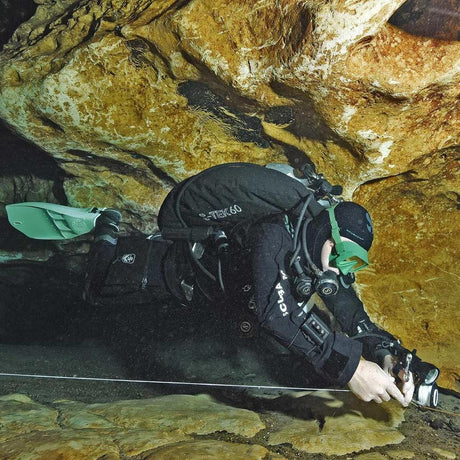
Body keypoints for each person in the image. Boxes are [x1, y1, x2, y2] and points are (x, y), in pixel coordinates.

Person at [81, 162, 431, 407]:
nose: (341, 268)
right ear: (325, 233)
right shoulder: (275, 234)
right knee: (96, 293)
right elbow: (274, 314)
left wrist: (384, 352)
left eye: (353, 262)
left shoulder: (318, 255)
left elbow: (350, 312)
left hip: (208, 301)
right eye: (341, 254)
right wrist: (351, 369)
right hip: (172, 272)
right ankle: (106, 228)